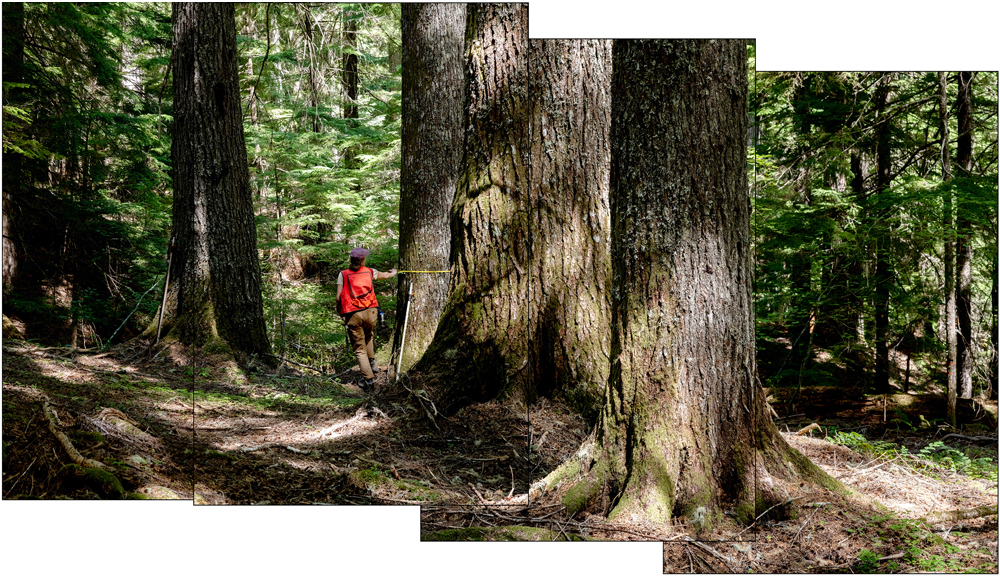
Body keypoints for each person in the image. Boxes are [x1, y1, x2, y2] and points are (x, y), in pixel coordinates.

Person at [337, 247, 397, 390]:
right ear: (363, 260)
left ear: (351, 259)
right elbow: (386, 275)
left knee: (359, 348)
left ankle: (368, 380)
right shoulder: (370, 271)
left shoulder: (343, 274)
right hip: (371, 312)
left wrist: (340, 312)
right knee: (368, 336)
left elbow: (338, 297)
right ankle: (372, 365)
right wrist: (393, 272)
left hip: (353, 314)